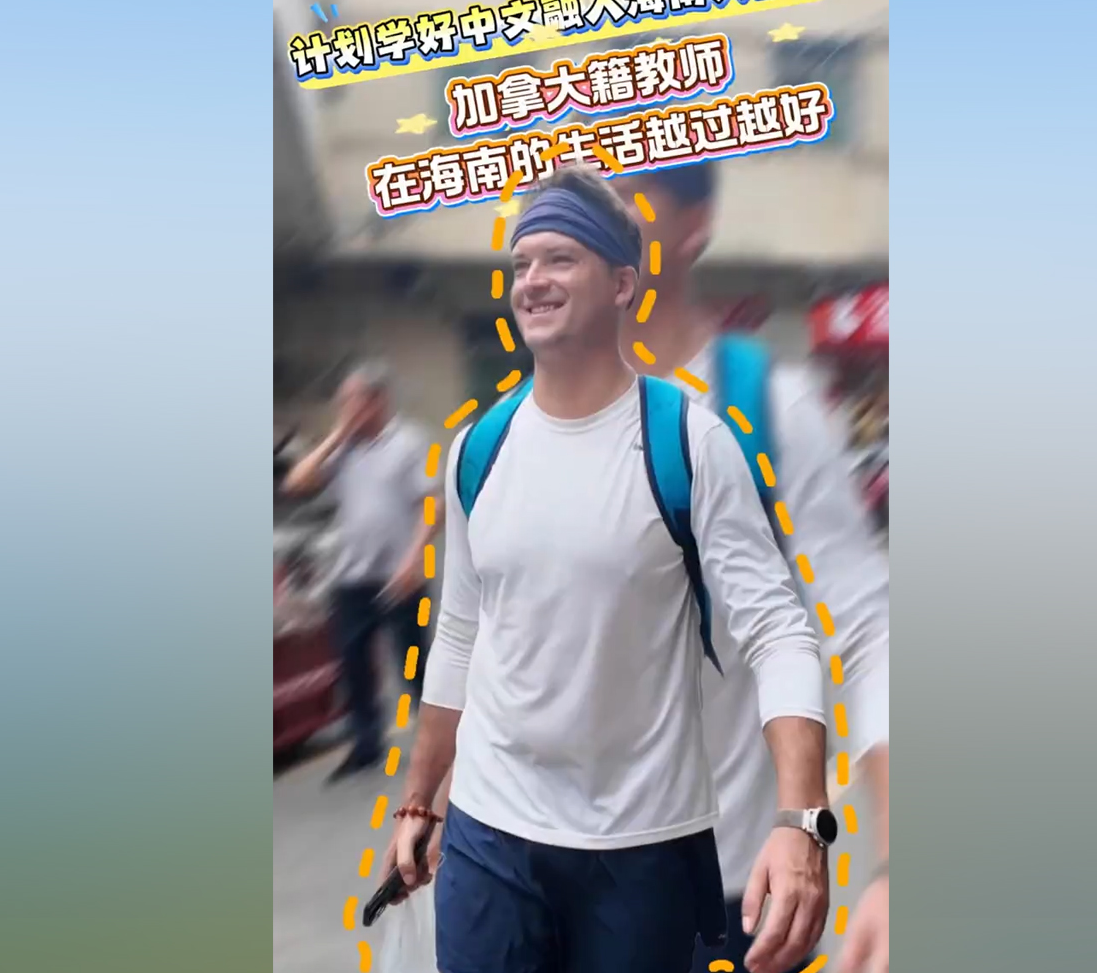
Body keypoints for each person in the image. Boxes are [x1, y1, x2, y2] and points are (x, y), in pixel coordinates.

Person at [382, 166, 835, 973]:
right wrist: (420, 800)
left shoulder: (689, 442)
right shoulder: (479, 450)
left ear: (623, 283)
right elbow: (458, 633)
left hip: (644, 847)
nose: (533, 280)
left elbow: (780, 633)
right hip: (491, 833)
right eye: (522, 264)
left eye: (560, 258)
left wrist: (802, 822)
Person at [610, 162, 892, 973]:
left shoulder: (764, 407)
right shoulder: (523, 427)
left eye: (624, 199)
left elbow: (865, 633)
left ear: (693, 224)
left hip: (731, 897)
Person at [280, 362, 437, 782]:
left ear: (376, 400)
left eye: (350, 401)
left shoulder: (411, 442)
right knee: (353, 665)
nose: (343, 408)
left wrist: (415, 559)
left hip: (401, 575)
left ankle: (441, 743)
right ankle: (366, 746)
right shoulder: (342, 450)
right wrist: (337, 436)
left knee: (414, 663)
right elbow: (295, 483)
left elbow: (432, 504)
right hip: (351, 579)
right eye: (341, 402)